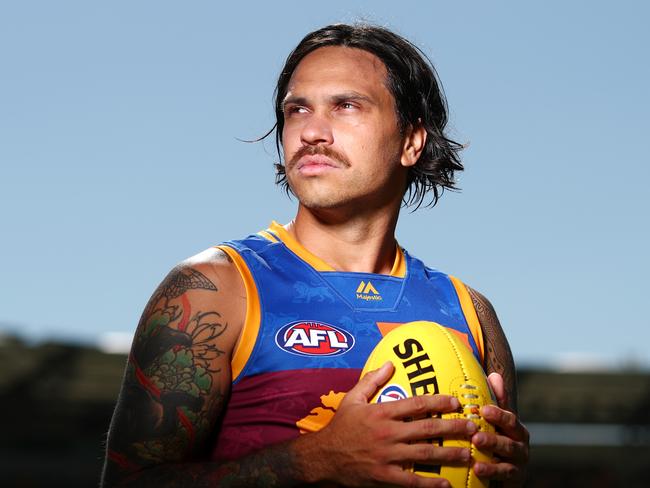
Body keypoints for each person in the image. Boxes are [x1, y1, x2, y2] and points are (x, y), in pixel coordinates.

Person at [101, 23, 529, 487]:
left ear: (411, 142)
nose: (311, 131)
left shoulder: (470, 312)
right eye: (297, 109)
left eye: (346, 106)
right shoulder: (215, 288)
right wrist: (315, 460)